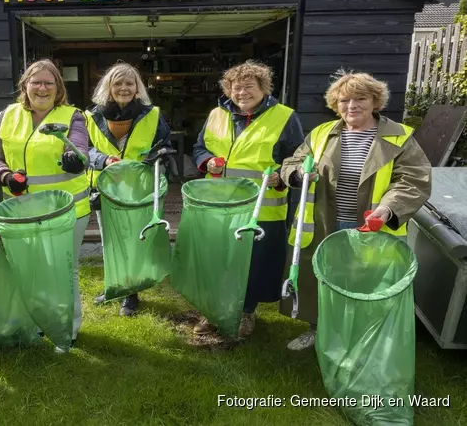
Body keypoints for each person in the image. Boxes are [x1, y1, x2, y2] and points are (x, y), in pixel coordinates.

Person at [280, 71, 431, 351]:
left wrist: (388, 208)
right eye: (344, 100)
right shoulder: (322, 134)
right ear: (335, 104)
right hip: (325, 223)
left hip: (372, 226)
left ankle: (361, 339)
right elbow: (292, 162)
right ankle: (318, 329)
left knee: (364, 282)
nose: (352, 106)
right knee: (322, 277)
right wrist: (301, 173)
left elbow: (413, 180)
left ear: (376, 101)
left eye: (360, 98)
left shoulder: (399, 137)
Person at [192, 60, 304, 339]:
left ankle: (245, 312)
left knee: (252, 265)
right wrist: (206, 162)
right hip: (218, 205)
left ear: (263, 88)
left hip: (262, 209)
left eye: (249, 87)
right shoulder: (217, 114)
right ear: (228, 89)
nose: (242, 93)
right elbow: (199, 147)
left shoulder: (284, 116)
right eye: (236, 88)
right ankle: (215, 308)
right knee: (218, 260)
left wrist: (281, 175)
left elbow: (297, 157)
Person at [0, 59, 90, 346]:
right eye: (36, 82)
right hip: (22, 211)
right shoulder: (7, 115)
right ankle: (37, 321)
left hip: (66, 211)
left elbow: (80, 149)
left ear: (58, 89)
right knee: (28, 269)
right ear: (25, 86)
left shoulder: (73, 116)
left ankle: (67, 328)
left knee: (62, 270)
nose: (42, 88)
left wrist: (74, 159)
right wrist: (5, 176)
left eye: (49, 83)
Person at [86, 62, 172, 316]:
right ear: (108, 87)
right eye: (118, 83)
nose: (124, 88)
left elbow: (164, 145)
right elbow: (84, 148)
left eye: (129, 83)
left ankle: (130, 293)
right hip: (105, 188)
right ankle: (114, 286)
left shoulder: (152, 114)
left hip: (137, 189)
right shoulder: (91, 116)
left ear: (137, 88)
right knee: (109, 242)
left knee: (133, 242)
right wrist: (103, 160)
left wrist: (155, 157)